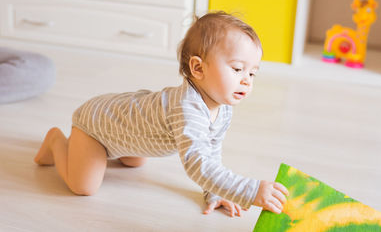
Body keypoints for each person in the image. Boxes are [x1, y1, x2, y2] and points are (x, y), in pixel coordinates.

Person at [34, 11, 289, 217]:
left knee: (135, 161)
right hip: (95, 126)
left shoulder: (222, 109)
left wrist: (215, 192)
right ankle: (58, 141)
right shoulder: (186, 109)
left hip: (127, 132)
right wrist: (248, 190)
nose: (247, 81)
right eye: (237, 69)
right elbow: (199, 165)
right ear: (198, 68)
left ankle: (114, 151)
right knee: (84, 187)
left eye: (252, 73)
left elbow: (211, 153)